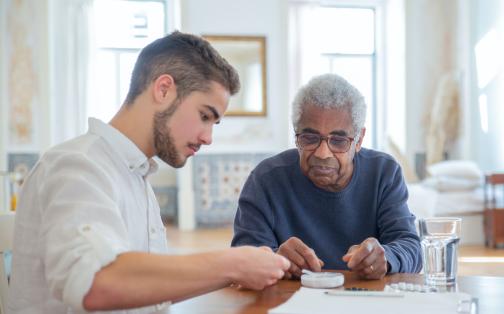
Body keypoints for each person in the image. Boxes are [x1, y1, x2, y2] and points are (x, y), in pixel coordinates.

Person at [7, 31, 289, 313]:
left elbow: (143, 293)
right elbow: (96, 282)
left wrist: (245, 269)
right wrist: (233, 263)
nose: (208, 138)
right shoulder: (77, 164)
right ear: (163, 89)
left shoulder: (133, 174)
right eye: (205, 116)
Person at [231, 74, 422, 280]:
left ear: (359, 140)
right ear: (296, 135)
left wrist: (386, 257)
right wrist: (276, 259)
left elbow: (411, 247)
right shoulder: (265, 180)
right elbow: (241, 260)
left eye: (339, 140)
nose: (323, 153)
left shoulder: (384, 173)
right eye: (310, 138)